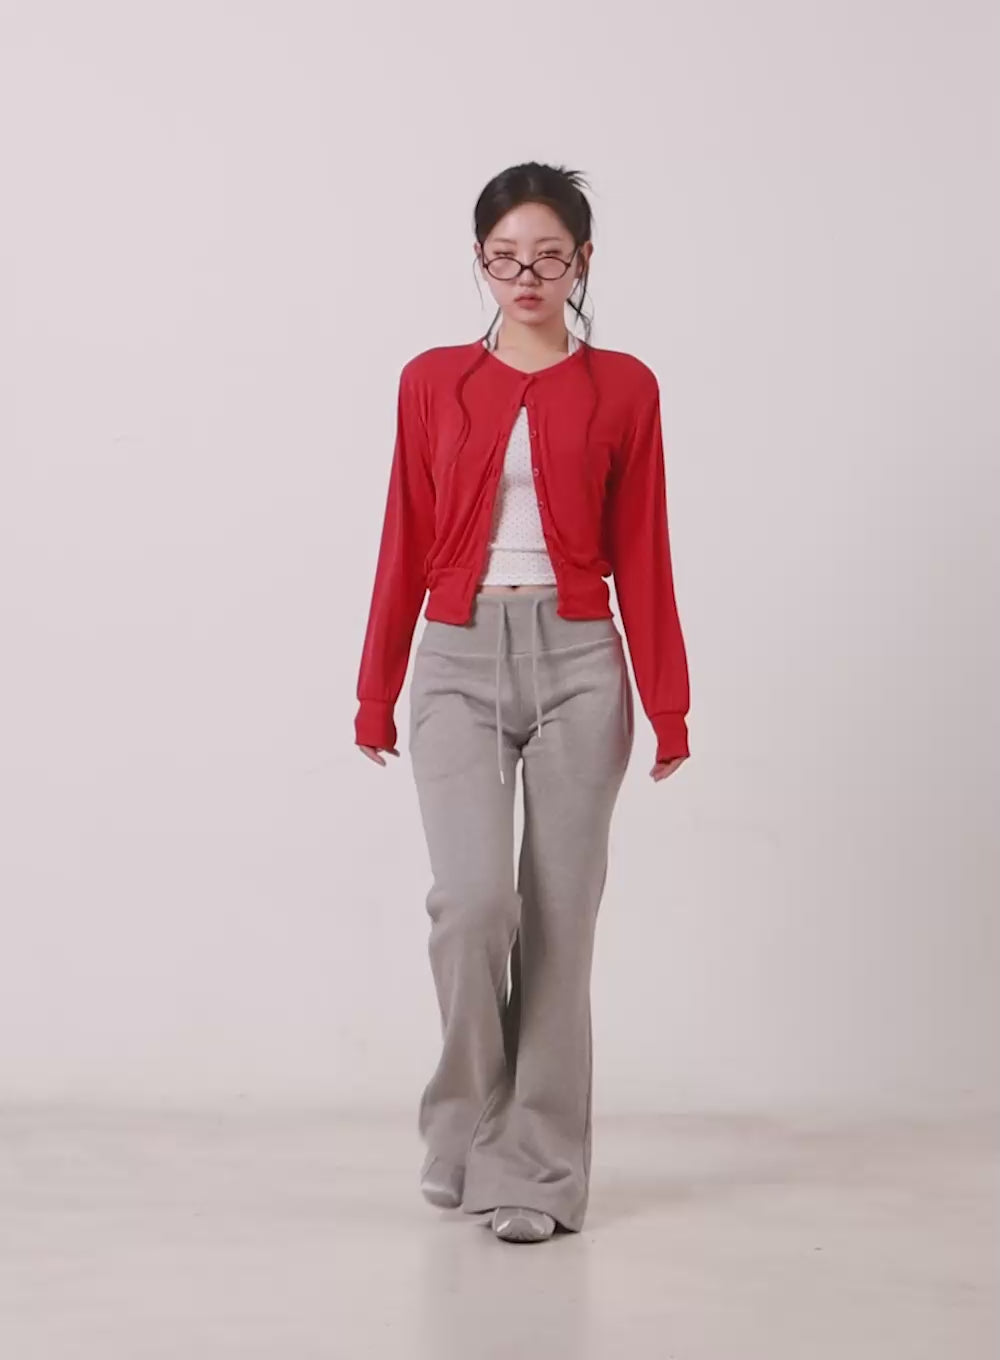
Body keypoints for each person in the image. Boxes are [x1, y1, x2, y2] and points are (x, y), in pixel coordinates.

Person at [354, 161, 690, 1244]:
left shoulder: (623, 386)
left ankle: (535, 1172)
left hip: (581, 662)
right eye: (504, 258)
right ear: (479, 262)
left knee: (558, 924)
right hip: (454, 659)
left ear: (582, 262)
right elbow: (404, 533)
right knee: (472, 907)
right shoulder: (432, 381)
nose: (526, 276)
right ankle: (465, 1123)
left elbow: (645, 546)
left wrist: (670, 703)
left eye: (548, 256)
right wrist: (374, 687)